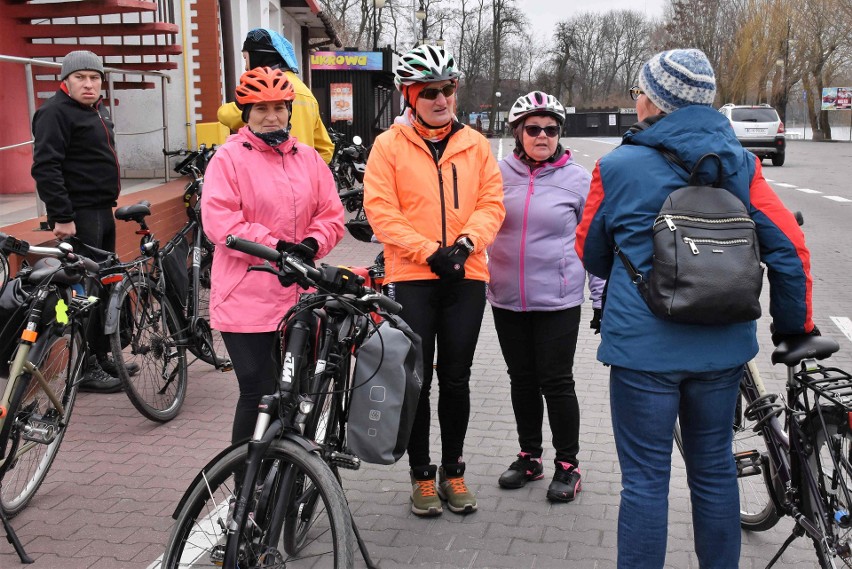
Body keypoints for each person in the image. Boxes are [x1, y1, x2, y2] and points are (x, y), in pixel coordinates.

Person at [575, 49, 817, 568]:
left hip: (643, 352)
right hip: (721, 349)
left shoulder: (616, 166)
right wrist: (793, 328)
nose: (636, 98)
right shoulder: (741, 163)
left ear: (655, 102)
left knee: (644, 481)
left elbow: (591, 252)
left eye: (641, 90)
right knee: (712, 470)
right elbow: (789, 249)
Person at [363, 44, 505, 517]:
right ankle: (422, 476)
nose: (441, 99)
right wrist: (428, 251)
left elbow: (492, 204)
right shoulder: (388, 146)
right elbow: (380, 210)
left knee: (457, 378)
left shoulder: (476, 144)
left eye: (447, 89)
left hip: (466, 274)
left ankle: (454, 470)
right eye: (430, 92)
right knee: (417, 380)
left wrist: (464, 245)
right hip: (413, 275)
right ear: (410, 95)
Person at [202, 67, 344, 446]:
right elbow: (221, 221)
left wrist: (312, 245)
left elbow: (331, 215)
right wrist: (277, 247)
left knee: (296, 394)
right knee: (259, 392)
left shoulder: (310, 159)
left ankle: (284, 481)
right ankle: (245, 485)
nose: (271, 116)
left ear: (289, 110)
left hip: (299, 297)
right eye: (260, 108)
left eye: (279, 107)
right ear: (245, 113)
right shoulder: (228, 159)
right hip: (245, 295)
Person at [488, 91, 603, 503]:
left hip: (558, 300)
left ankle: (568, 465)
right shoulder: (496, 173)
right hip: (506, 298)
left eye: (551, 129)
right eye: (533, 128)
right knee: (521, 380)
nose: (543, 136)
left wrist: (600, 298)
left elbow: (594, 243)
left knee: (556, 382)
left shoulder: (578, 179)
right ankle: (529, 456)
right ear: (518, 132)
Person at [31, 49, 125, 393]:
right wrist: (61, 216)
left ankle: (100, 356)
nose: (89, 84)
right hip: (79, 216)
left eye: (94, 78)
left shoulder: (96, 111)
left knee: (101, 286)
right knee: (82, 292)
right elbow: (46, 166)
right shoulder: (54, 113)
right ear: (65, 81)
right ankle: (85, 368)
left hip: (102, 210)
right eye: (80, 78)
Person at [217, 28, 334, 164]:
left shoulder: (262, 88)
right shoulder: (305, 92)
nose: (246, 67)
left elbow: (226, 116)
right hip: (300, 177)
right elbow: (325, 148)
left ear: (258, 56)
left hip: (264, 174)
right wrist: (310, 170)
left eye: (246, 58)